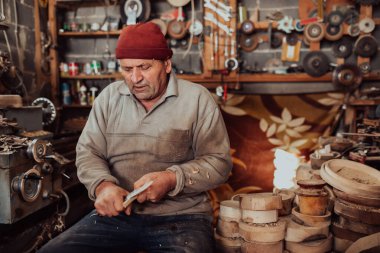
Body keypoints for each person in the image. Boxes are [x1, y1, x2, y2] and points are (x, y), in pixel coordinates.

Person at [38, 22, 232, 253]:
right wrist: (103, 186)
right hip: (117, 216)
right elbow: (89, 152)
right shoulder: (109, 98)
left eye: (144, 67)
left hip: (182, 217)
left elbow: (219, 163)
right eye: (127, 69)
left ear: (167, 64)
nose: (136, 78)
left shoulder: (197, 99)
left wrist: (171, 178)